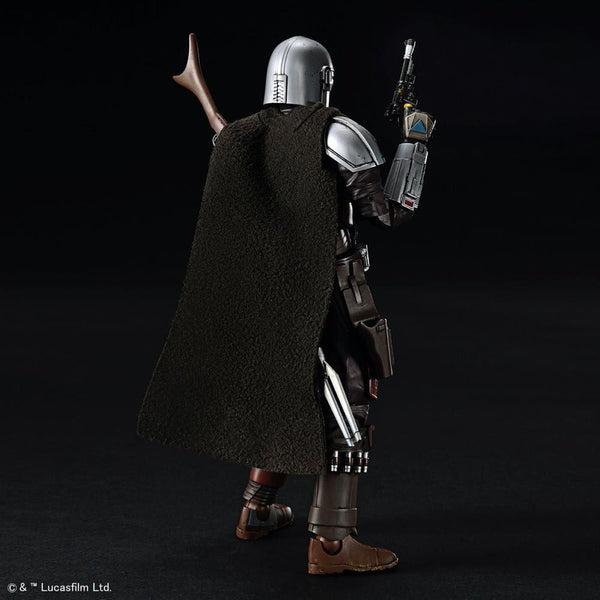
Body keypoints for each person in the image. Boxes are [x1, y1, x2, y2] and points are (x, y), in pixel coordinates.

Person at [137, 35, 434, 575]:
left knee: (281, 388)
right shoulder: (338, 133)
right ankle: (333, 545)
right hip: (327, 289)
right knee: (348, 397)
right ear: (323, 80)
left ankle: (257, 509)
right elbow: (390, 212)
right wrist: (415, 142)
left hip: (269, 292)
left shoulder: (242, 135)